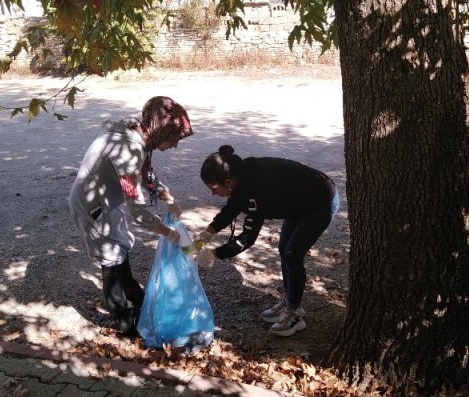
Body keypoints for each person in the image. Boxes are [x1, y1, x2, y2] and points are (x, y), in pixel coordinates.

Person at [69, 96, 193, 336]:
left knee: (120, 248)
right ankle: (125, 321)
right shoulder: (128, 148)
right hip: (93, 205)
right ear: (161, 131)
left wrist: (164, 193)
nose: (176, 146)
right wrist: (167, 233)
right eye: (175, 139)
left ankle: (136, 298)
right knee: (111, 256)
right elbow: (136, 209)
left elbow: (144, 174)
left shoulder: (139, 135)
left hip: (106, 200)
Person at [194, 145, 340, 337]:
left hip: (320, 202)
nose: (212, 193)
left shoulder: (257, 190)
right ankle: (288, 300)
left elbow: (247, 239)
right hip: (300, 202)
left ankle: (294, 313)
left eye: (213, 189)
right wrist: (207, 233)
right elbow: (231, 209)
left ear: (228, 182)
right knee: (284, 249)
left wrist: (215, 254)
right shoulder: (240, 177)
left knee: (292, 255)